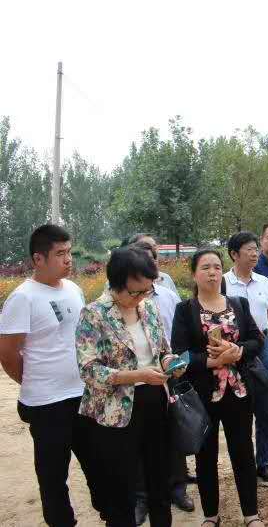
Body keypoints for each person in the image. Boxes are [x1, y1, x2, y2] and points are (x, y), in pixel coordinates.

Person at [0, 224, 104, 526]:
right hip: (46, 404)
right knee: (53, 477)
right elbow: (7, 353)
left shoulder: (73, 289)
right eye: (60, 253)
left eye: (69, 252)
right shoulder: (23, 298)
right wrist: (34, 381)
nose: (68, 259)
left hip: (82, 395)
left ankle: (109, 512)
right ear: (38, 258)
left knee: (99, 464)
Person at [76, 246, 181, 526]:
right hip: (115, 413)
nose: (142, 297)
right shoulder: (94, 314)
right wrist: (136, 375)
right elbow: (89, 370)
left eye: (147, 290)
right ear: (116, 284)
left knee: (159, 480)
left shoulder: (149, 307)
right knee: (120, 488)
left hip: (155, 402)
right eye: (135, 292)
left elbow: (163, 350)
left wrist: (170, 362)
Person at [171, 249, 265, 527]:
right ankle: (211, 515)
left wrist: (237, 351)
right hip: (203, 395)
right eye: (205, 267)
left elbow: (257, 340)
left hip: (238, 391)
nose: (212, 272)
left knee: (243, 452)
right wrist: (212, 361)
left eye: (216, 267)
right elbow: (180, 354)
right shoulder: (185, 310)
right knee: (205, 456)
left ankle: (251, 514)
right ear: (194, 274)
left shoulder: (238, 304)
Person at [129, 241, 194, 522]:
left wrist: (173, 362)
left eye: (152, 259)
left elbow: (171, 337)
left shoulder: (166, 296)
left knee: (173, 434)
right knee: (140, 445)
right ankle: (142, 496)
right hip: (135, 388)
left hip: (168, 376)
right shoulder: (106, 309)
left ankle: (178, 486)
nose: (150, 264)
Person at [224, 232, 268, 486]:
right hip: (234, 348)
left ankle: (264, 462)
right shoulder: (223, 283)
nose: (254, 253)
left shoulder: (263, 282)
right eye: (248, 249)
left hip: (263, 344)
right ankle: (244, 463)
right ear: (234, 254)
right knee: (239, 407)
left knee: (264, 406)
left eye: (255, 248)